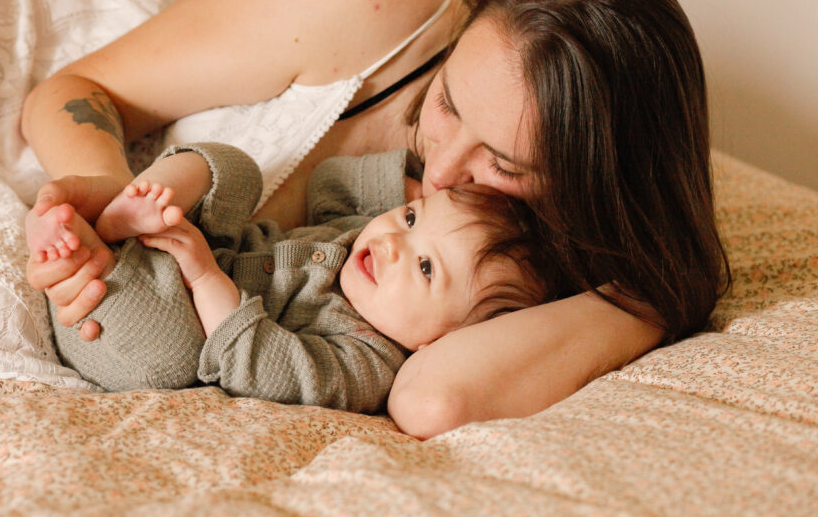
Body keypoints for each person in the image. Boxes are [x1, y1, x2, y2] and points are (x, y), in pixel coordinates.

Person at [21, 0, 729, 437]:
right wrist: (110, 205)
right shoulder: (375, 2)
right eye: (449, 102)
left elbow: (431, 399)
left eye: (506, 166)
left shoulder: (518, 271)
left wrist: (648, 296)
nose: (442, 171)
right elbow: (73, 90)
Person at [29, 142, 553, 413]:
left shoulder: (368, 360)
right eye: (413, 218)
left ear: (438, 342)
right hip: (189, 242)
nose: (393, 241)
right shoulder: (359, 242)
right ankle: (132, 204)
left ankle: (85, 250)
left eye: (425, 267)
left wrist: (205, 275)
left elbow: (265, 370)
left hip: (155, 330)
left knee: (169, 357)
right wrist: (412, 189)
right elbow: (333, 181)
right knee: (236, 168)